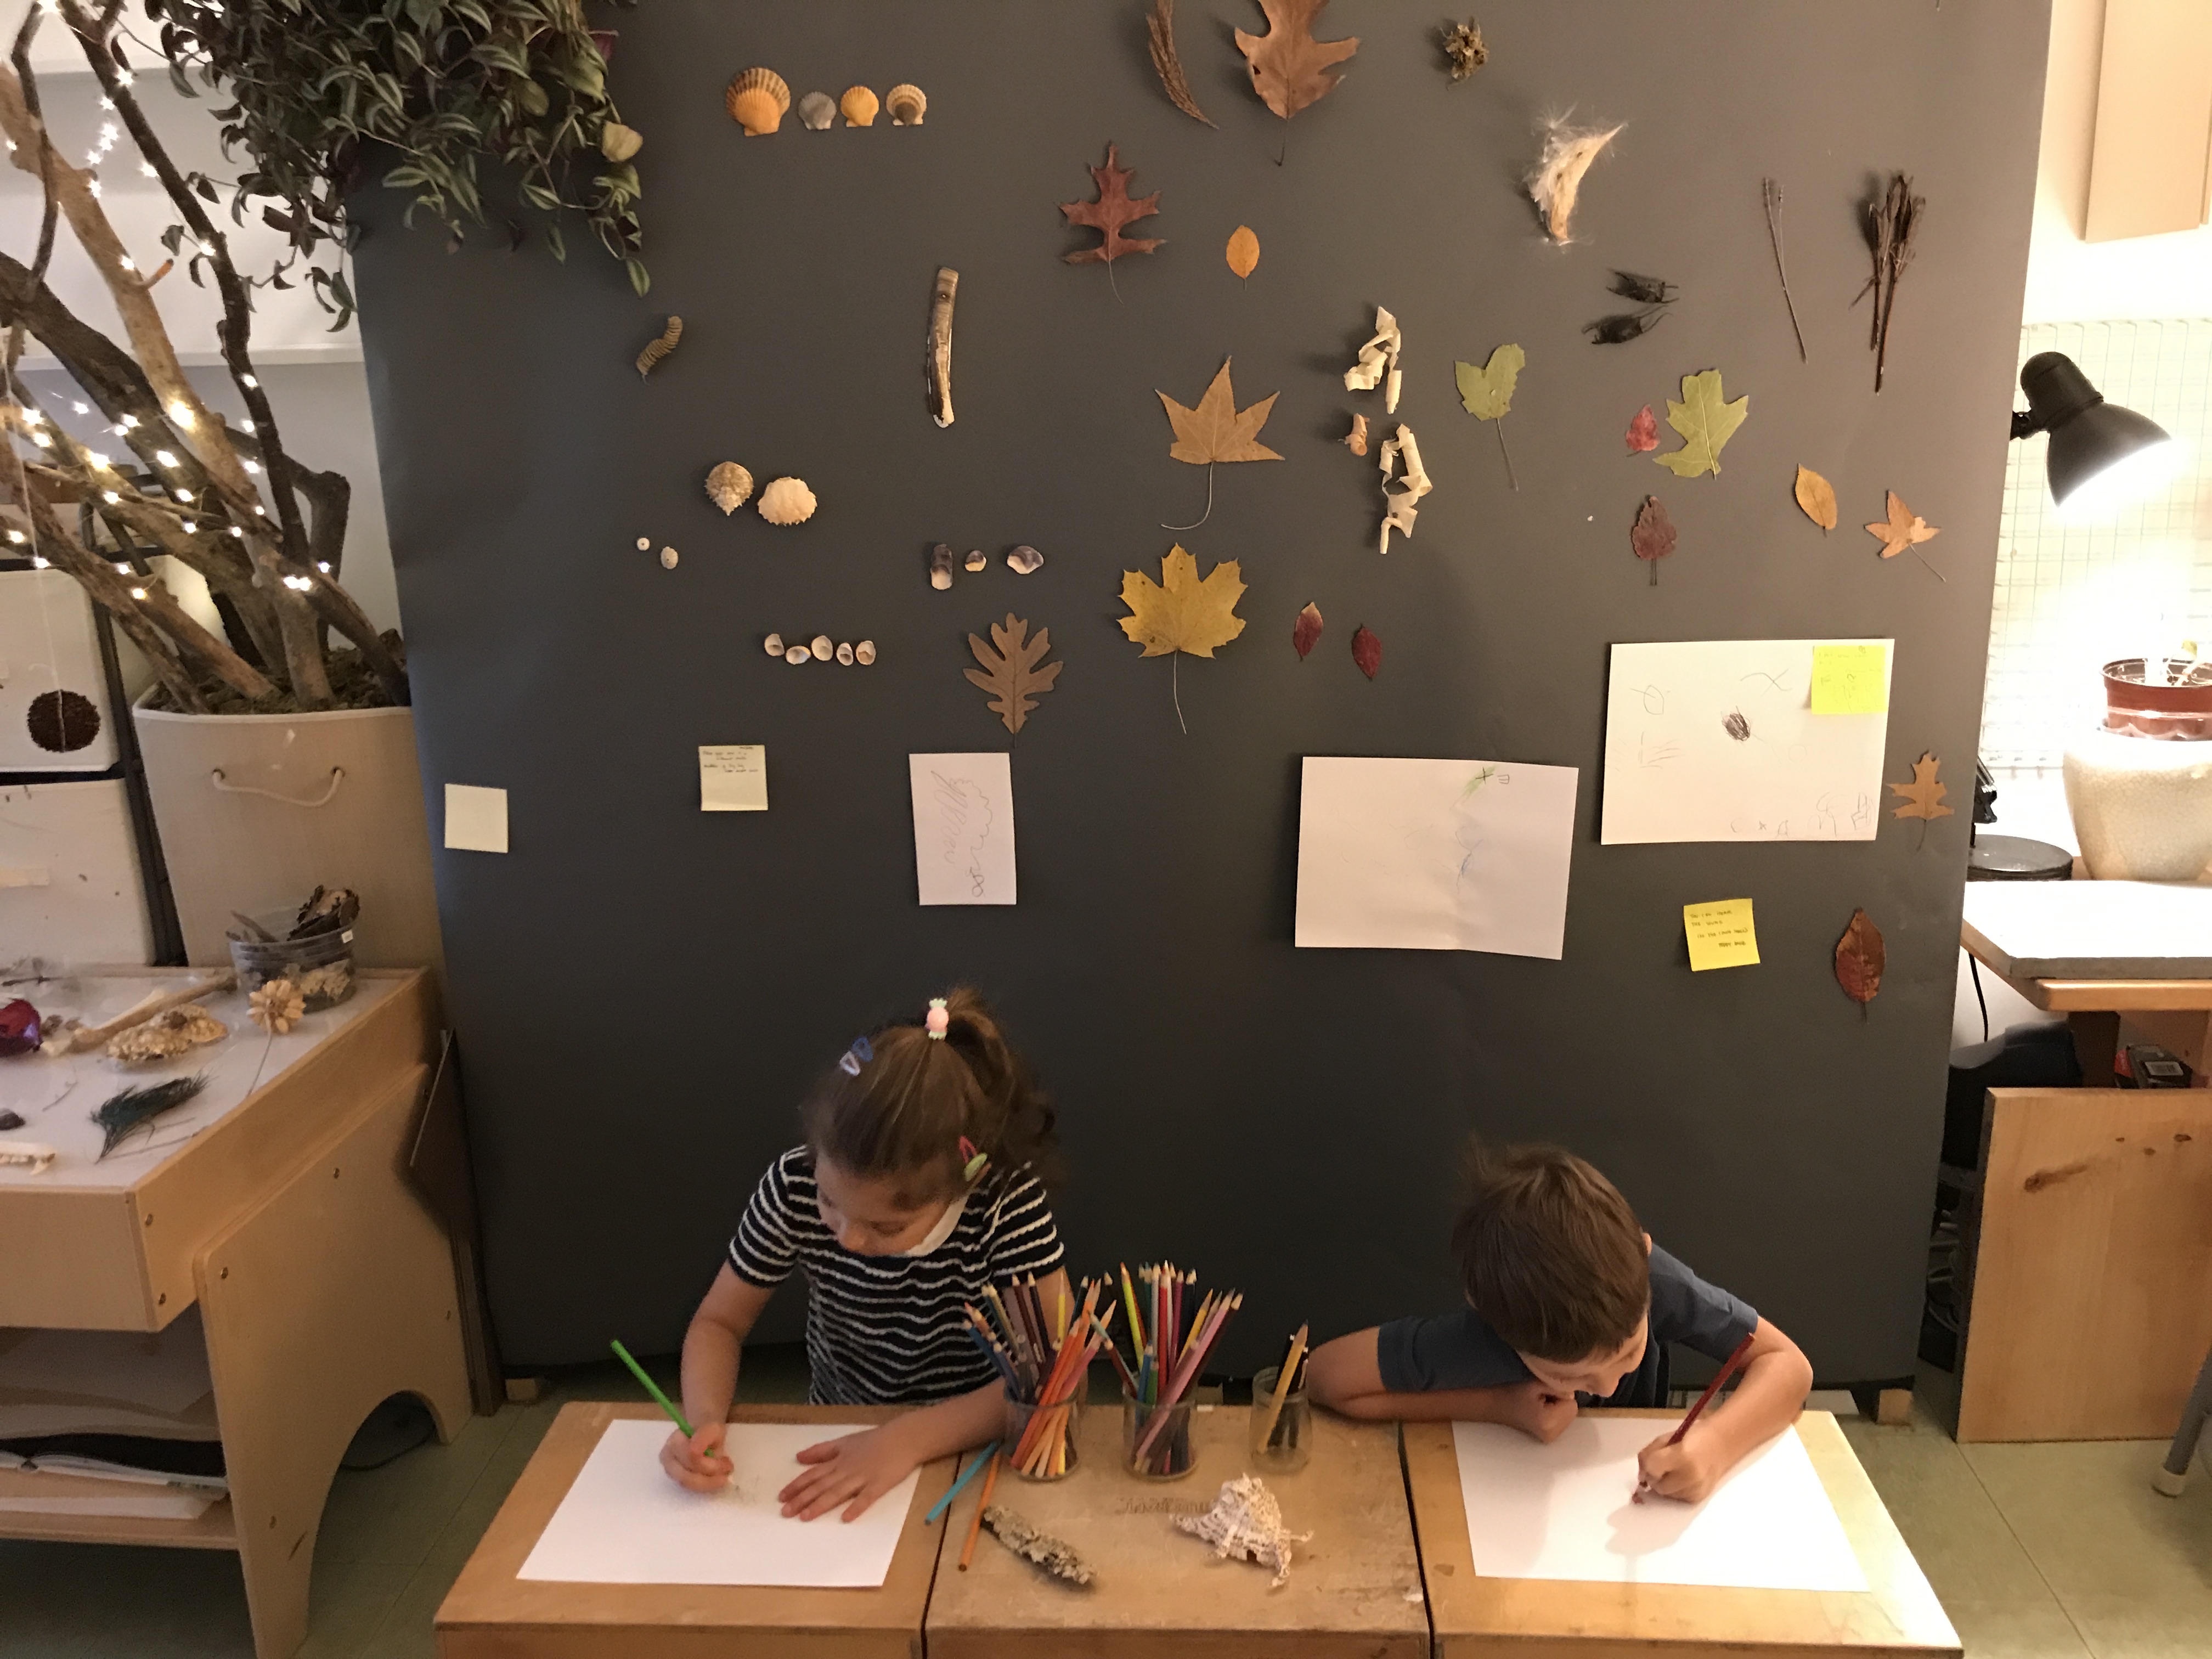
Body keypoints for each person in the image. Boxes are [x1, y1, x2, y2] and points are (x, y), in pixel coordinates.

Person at [660, 989, 1066, 1520]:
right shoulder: (793, 1183)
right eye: (830, 1202)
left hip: (975, 1441)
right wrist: (704, 1419)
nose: (848, 1238)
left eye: (887, 1226)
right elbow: (718, 1323)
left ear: (966, 1182)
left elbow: (1050, 1371)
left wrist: (907, 1440)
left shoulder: (1004, 1203)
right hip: (840, 1430)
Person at [1306, 1141, 1812, 1502]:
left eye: (1629, 1352)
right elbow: (1325, 1377)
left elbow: (1787, 1362)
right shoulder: (1491, 1335)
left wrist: (1716, 1443)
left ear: (1644, 1250)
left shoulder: (1651, 1280)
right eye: (1569, 1376)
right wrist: (1497, 1406)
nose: (1611, 1388)